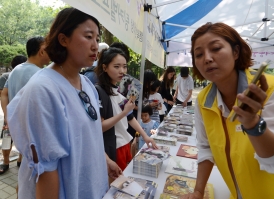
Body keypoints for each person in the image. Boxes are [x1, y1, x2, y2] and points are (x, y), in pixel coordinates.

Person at [7, 8, 122, 199]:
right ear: (63, 40)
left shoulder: (86, 84)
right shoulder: (43, 89)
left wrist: (105, 160)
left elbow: (88, 135)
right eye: (88, 36)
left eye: (97, 38)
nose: (96, 46)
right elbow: (46, 170)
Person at [183, 22, 274, 199]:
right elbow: (206, 148)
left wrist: (253, 124)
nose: (207, 58)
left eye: (215, 48)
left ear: (236, 52)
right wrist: (198, 191)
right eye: (198, 54)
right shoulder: (203, 100)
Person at [95, 47, 158, 171]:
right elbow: (100, 126)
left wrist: (145, 136)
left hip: (125, 145)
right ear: (104, 67)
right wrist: (124, 112)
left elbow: (130, 117)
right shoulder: (98, 92)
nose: (122, 71)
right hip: (113, 148)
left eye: (124, 66)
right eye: (117, 66)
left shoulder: (120, 92)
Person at [0, 37, 50, 175]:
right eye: (48, 49)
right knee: (31, 174)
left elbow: (4, 94)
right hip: (33, 131)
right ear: (41, 51)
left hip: (17, 125)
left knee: (26, 171)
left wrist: (7, 116)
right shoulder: (40, 74)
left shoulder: (16, 70)